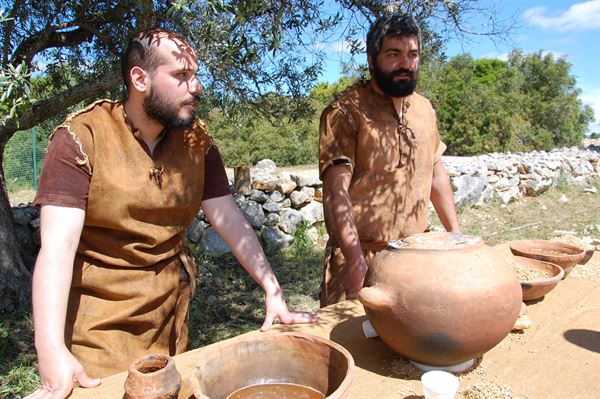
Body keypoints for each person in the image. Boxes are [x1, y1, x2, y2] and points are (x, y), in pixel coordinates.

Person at [26, 28, 317, 399]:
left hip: (171, 318)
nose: (195, 87)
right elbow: (56, 248)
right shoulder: (81, 138)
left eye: (195, 76)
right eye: (181, 76)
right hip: (97, 327)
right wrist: (50, 349)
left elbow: (226, 216)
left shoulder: (197, 141)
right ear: (139, 78)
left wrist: (272, 289)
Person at [318, 13, 460, 307]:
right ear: (372, 59)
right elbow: (336, 192)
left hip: (417, 257)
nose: (405, 64)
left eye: (412, 54)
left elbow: (436, 175)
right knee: (353, 347)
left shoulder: (424, 109)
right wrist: (356, 260)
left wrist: (458, 238)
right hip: (360, 258)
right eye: (393, 54)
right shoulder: (345, 112)